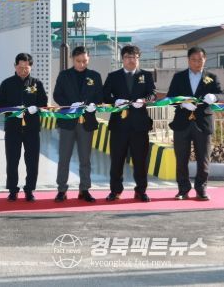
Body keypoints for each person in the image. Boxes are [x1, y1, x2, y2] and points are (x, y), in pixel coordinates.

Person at [166, 46, 223, 201]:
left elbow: (221, 94)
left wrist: (215, 97)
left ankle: (201, 189)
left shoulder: (211, 77)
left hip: (203, 122)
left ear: (205, 59)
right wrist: (182, 104)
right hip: (182, 123)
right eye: (194, 60)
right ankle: (183, 189)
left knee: (203, 159)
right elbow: (170, 98)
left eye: (200, 60)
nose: (197, 63)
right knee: (181, 159)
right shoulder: (179, 77)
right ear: (188, 60)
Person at [103, 44, 156, 202]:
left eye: (134, 57)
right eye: (127, 57)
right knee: (117, 160)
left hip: (139, 126)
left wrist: (143, 100)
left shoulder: (146, 75)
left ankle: (141, 190)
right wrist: (115, 101)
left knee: (140, 161)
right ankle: (115, 191)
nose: (131, 60)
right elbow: (104, 95)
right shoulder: (113, 76)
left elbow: (153, 94)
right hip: (119, 126)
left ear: (138, 59)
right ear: (122, 59)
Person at [52, 46, 103, 203]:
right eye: (78, 61)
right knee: (64, 158)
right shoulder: (64, 75)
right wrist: (70, 105)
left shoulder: (95, 76)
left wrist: (93, 104)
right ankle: (62, 189)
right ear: (72, 59)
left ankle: (84, 189)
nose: (81, 64)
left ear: (89, 59)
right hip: (68, 121)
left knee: (85, 158)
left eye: (84, 61)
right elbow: (57, 95)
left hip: (86, 122)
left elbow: (100, 96)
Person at [0, 53, 48, 202]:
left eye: (26, 68)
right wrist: (12, 110)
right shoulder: (7, 83)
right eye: (20, 67)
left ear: (31, 67)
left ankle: (29, 189)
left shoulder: (37, 83)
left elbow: (43, 103)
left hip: (32, 128)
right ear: (15, 66)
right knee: (12, 160)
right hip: (13, 128)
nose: (23, 71)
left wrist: (36, 108)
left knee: (32, 161)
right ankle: (13, 190)